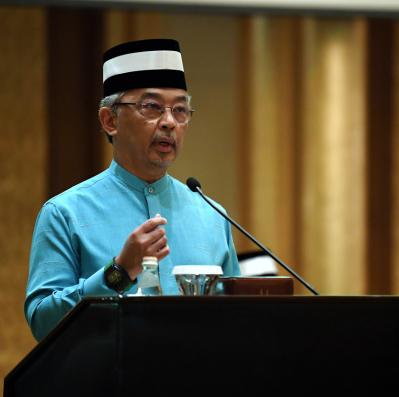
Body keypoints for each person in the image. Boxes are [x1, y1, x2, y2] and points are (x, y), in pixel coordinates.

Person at [25, 39, 240, 341]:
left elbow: (238, 320)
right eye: (151, 107)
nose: (169, 122)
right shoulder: (65, 213)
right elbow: (43, 322)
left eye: (180, 110)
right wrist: (119, 272)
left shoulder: (212, 215)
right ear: (110, 120)